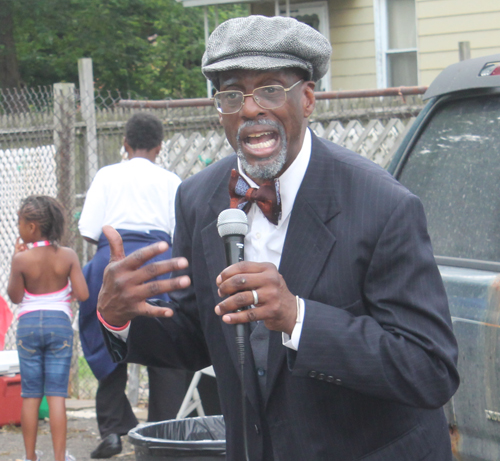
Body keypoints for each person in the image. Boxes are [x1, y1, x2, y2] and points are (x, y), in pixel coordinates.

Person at [96, 15, 460, 460]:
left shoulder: (382, 205)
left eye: (270, 89)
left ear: (307, 98)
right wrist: (120, 318)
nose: (250, 109)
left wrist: (298, 318)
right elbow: (195, 336)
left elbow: (430, 369)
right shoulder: (197, 199)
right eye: (232, 94)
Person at [77, 112, 190, 459]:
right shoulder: (171, 180)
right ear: (159, 147)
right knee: (168, 345)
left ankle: (113, 429)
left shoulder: (108, 175)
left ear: (124, 144)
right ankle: (162, 433)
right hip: (159, 261)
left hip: (113, 261)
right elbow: (180, 234)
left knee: (108, 337)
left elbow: (88, 229)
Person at [7, 195, 89, 461]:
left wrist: (15, 260)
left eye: (20, 222)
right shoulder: (67, 255)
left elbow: (16, 297)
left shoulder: (22, 259)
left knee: (31, 395)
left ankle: (30, 457)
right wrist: (64, 295)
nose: (18, 227)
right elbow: (83, 293)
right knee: (56, 395)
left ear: (32, 227)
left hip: (29, 325)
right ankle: (59, 458)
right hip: (59, 325)